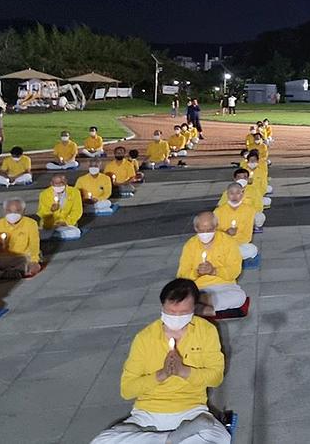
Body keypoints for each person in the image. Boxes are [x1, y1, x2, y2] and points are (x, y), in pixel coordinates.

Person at [90, 278, 230, 444]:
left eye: (183, 313)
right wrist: (161, 374)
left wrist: (183, 371)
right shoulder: (145, 338)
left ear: (194, 308)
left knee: (221, 438)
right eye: (171, 312)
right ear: (162, 307)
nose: (176, 317)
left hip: (191, 411)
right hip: (147, 414)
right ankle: (169, 439)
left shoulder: (206, 331)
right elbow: (127, 390)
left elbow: (216, 378)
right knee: (101, 441)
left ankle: (147, 437)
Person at [177, 213, 245, 316]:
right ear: (196, 228)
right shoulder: (190, 245)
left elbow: (235, 271)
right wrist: (196, 272)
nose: (205, 233)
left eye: (209, 230)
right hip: (198, 288)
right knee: (179, 293)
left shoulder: (228, 242)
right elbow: (181, 275)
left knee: (239, 297)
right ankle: (203, 306)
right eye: (201, 230)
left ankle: (197, 306)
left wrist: (214, 271)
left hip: (224, 286)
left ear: (216, 227)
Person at [0, 198, 42, 278]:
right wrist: (0, 246)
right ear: (4, 211)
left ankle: (6, 273)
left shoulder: (31, 223)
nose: (13, 214)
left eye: (17, 211)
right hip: (2, 258)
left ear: (23, 211)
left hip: (24, 257)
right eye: (9, 211)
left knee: (33, 267)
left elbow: (34, 244)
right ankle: (8, 273)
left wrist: (34, 260)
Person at [213, 183, 259, 260]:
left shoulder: (250, 210)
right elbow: (212, 230)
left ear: (242, 194)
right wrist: (226, 233)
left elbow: (248, 231)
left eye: (238, 193)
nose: (234, 196)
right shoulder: (218, 211)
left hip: (241, 244)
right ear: (227, 195)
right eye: (231, 193)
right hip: (223, 243)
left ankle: (229, 256)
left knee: (252, 250)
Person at [37, 174, 84, 239]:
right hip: (49, 225)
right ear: (51, 183)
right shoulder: (44, 194)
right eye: (56, 183)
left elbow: (77, 211)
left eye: (61, 183)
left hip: (67, 224)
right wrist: (51, 211)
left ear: (65, 182)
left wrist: (65, 222)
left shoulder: (75, 192)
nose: (58, 185)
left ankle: (55, 235)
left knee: (75, 233)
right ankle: (56, 234)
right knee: (41, 234)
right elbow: (42, 212)